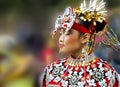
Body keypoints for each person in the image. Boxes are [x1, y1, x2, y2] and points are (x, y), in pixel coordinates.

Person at [41, 0, 120, 87]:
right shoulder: (52, 71)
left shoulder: (107, 74)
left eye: (68, 33)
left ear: (84, 38)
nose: (60, 39)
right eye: (61, 33)